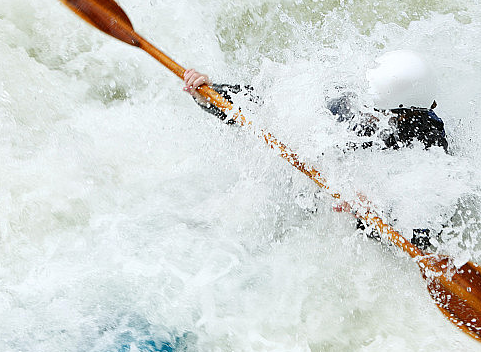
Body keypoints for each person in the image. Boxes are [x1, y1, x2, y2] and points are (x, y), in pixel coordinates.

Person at [181, 51, 448, 251]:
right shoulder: (343, 104)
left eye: (375, 112)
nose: (366, 113)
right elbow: (259, 104)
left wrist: (377, 213)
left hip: (366, 224)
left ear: (407, 114)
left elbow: (424, 227)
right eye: (367, 106)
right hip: (310, 197)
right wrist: (209, 94)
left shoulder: (429, 141)